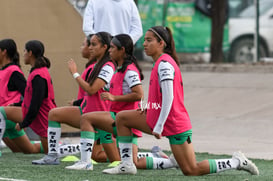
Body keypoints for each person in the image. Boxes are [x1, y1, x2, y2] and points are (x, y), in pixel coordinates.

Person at [102, 26, 260, 175]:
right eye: (144, 40)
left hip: (174, 123)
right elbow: (159, 96)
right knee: (122, 118)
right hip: (159, 119)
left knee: (191, 170)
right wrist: (149, 107)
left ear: (161, 43)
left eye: (149, 40)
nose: (144, 44)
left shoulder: (164, 65)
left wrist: (159, 125)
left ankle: (236, 161)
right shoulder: (160, 62)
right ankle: (127, 165)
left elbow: (169, 97)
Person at [66, 34, 175, 171]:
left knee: (86, 118)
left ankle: (85, 162)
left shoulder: (129, 70)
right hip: (120, 118)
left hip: (123, 118)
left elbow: (139, 94)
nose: (109, 50)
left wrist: (114, 98)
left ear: (122, 50)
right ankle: (171, 163)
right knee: (134, 163)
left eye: (112, 47)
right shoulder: (119, 69)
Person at [32, 32, 121, 165]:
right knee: (54, 114)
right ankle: (52, 155)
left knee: (115, 159)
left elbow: (91, 89)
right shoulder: (97, 65)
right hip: (87, 113)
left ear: (104, 47)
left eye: (94, 44)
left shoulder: (108, 66)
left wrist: (74, 73)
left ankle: (147, 156)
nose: (90, 47)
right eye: (89, 44)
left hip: (101, 117)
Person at [0, 40, 57, 155]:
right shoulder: (35, 72)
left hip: (36, 115)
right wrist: (17, 105)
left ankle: (73, 147)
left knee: (52, 154)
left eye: (25, 51)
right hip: (20, 115)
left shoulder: (32, 73)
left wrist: (24, 122)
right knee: (28, 150)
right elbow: (30, 97)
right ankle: (66, 146)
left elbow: (35, 100)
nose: (23, 53)